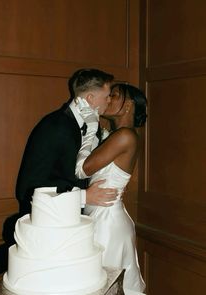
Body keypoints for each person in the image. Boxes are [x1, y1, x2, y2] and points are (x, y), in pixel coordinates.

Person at [75, 83, 147, 293]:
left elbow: (83, 169)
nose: (108, 99)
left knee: (102, 285)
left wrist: (90, 128)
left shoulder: (125, 135)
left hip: (107, 222)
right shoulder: (118, 134)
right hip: (103, 214)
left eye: (114, 95)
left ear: (129, 105)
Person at [15, 68, 117, 216]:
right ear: (90, 98)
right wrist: (84, 196)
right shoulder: (54, 126)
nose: (109, 100)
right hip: (49, 221)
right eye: (107, 96)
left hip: (76, 218)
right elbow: (27, 188)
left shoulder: (92, 126)